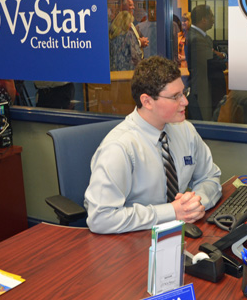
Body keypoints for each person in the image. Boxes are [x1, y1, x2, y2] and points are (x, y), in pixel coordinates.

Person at [85, 56, 222, 234]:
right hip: (132, 241)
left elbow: (209, 177)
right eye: (175, 97)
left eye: (183, 93)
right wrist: (172, 212)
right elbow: (101, 218)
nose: (185, 102)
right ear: (147, 101)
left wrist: (195, 203)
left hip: (179, 234)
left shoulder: (185, 130)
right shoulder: (120, 148)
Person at [187, 5, 218, 121]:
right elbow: (214, 62)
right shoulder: (196, 38)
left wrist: (220, 55)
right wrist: (221, 57)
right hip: (202, 89)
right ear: (203, 19)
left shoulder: (204, 37)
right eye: (211, 16)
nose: (214, 20)